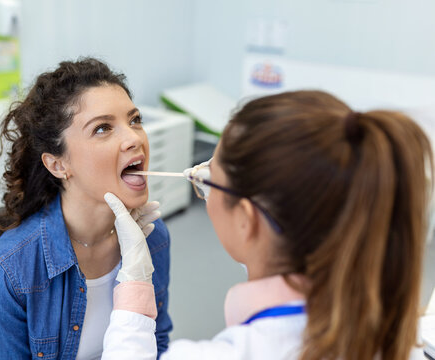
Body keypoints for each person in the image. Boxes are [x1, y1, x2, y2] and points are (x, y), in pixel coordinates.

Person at [101, 90, 432, 360]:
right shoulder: (402, 337)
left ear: (247, 219)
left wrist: (134, 289)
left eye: (213, 178)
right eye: (102, 128)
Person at [0, 58, 173, 359]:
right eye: (103, 128)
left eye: (134, 120)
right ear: (58, 164)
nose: (134, 138)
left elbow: (158, 343)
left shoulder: (152, 238)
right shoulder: (7, 274)